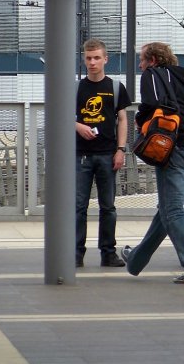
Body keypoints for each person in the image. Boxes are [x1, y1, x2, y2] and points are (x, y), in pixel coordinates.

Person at [121, 42, 184, 284]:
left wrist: (140, 119)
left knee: (172, 210)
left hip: (173, 145)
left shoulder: (153, 74)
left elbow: (153, 103)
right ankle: (136, 260)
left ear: (153, 60)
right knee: (167, 210)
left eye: (142, 60)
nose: (140, 65)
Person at [75, 38, 132, 268]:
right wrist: (77, 126)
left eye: (97, 58)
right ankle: (76, 253)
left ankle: (108, 252)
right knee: (78, 206)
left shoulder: (115, 87)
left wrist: (120, 150)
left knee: (108, 206)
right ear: (83, 59)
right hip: (81, 155)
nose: (92, 62)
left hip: (108, 154)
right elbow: (64, 115)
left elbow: (123, 120)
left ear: (105, 59)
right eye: (88, 58)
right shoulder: (77, 88)